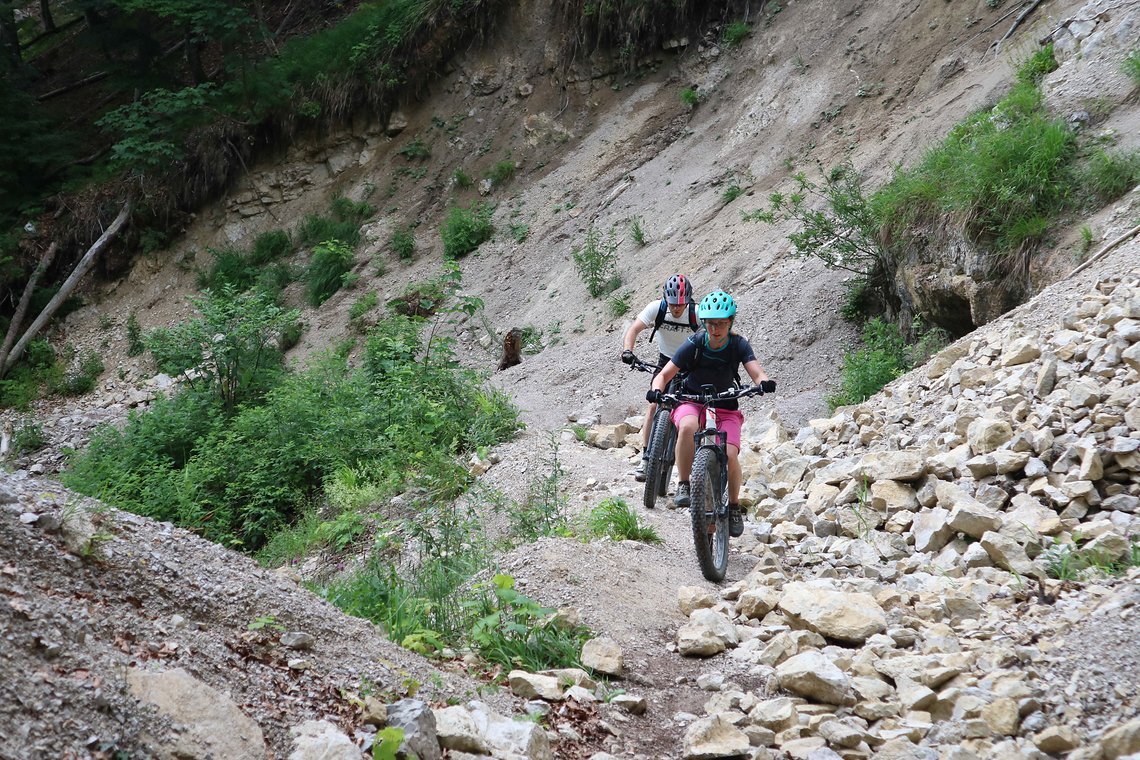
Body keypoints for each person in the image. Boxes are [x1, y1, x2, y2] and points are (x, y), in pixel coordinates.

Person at [647, 290, 776, 537]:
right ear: (704, 323)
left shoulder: (738, 344)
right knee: (686, 426)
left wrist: (764, 382)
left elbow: (756, 372)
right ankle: (684, 484)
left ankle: (734, 506)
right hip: (691, 399)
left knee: (730, 454)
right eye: (710, 323)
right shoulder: (695, 342)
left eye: (721, 323)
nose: (715, 329)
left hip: (726, 405)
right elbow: (664, 374)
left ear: (730, 322)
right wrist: (656, 390)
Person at [621, 274, 700, 482]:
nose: (676, 308)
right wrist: (628, 351)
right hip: (665, 362)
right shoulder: (657, 308)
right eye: (673, 303)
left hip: (691, 365)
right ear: (666, 298)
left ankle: (698, 458)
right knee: (653, 406)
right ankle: (646, 458)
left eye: (681, 304)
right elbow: (634, 329)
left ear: (688, 300)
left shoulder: (697, 313)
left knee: (695, 410)